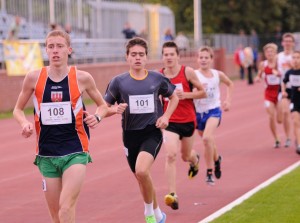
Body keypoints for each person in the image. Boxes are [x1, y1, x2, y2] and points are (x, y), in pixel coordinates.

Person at [13, 30, 108, 223]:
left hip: (75, 151)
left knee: (66, 209)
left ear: (69, 50)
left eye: (60, 46)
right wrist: (24, 124)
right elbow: (17, 109)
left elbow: (103, 105)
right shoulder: (33, 78)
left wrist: (97, 118)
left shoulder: (82, 78)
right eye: (51, 46)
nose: (55, 51)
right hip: (46, 155)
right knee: (56, 216)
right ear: (46, 50)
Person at [104, 37, 179, 223]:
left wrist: (166, 117)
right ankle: (159, 214)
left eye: (141, 54)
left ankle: (149, 214)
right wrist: (114, 109)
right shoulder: (118, 82)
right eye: (134, 54)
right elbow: (104, 107)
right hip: (130, 135)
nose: (138, 58)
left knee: (142, 171)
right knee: (141, 176)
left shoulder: (157, 78)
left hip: (151, 132)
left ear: (146, 57)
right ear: (127, 57)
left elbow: (174, 97)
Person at [160, 41, 206, 210]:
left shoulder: (187, 72)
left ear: (178, 56)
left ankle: (194, 160)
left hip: (187, 121)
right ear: (162, 57)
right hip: (169, 121)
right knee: (170, 155)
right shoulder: (159, 76)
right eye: (166, 54)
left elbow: (203, 92)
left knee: (185, 156)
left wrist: (184, 95)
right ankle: (173, 195)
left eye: (172, 54)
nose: (169, 57)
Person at [194, 46, 234, 185]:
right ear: (197, 59)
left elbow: (230, 83)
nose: (203, 60)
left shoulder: (218, 74)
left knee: (206, 139)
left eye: (206, 57)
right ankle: (217, 159)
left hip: (214, 110)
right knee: (209, 141)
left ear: (211, 59)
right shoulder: (193, 75)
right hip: (198, 113)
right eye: (201, 57)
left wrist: (228, 100)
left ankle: (209, 172)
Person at [255, 43, 281, 148]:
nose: (269, 53)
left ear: (275, 53)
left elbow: (284, 75)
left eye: (271, 51)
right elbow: (259, 75)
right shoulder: (263, 64)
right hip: (268, 93)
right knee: (271, 117)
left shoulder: (279, 63)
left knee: (280, 119)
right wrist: (257, 78)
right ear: (265, 54)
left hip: (279, 92)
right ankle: (276, 139)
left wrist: (278, 74)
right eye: (267, 52)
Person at [277, 33, 295, 148]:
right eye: (286, 41)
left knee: (296, 114)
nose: (287, 43)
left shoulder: (296, 56)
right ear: (282, 43)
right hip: (283, 87)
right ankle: (288, 137)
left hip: (295, 87)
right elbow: (271, 66)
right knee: (284, 113)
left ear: (293, 43)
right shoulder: (279, 56)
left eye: (290, 41)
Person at [282, 51, 300, 155]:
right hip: (294, 101)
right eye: (294, 58)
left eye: (298, 57)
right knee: (296, 122)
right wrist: (284, 91)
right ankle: (299, 145)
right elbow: (283, 82)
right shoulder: (289, 72)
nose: (296, 60)